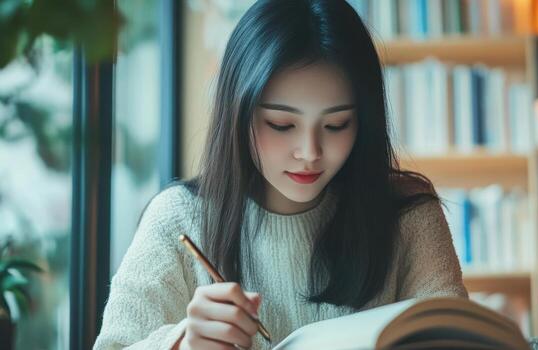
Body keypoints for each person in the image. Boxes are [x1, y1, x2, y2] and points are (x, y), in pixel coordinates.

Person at [93, 0, 467, 349]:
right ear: (238, 113)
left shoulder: (406, 214)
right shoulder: (178, 217)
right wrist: (182, 342)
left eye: (337, 125)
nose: (310, 153)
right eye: (281, 124)